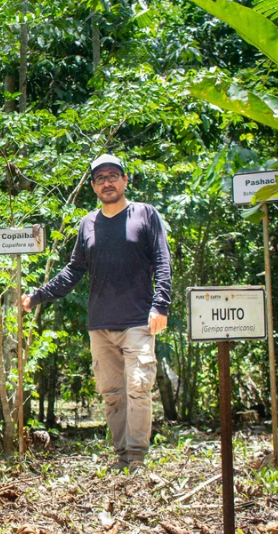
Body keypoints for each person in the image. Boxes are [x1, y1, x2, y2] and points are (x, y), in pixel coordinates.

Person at [22, 154, 171, 471]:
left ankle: (136, 458)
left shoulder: (145, 214)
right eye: (100, 178)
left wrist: (161, 305)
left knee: (139, 388)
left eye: (113, 175)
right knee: (113, 394)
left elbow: (162, 262)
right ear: (93, 186)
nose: (107, 182)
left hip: (139, 319)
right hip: (101, 324)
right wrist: (38, 295)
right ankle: (121, 457)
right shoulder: (88, 223)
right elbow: (73, 271)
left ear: (125, 180)